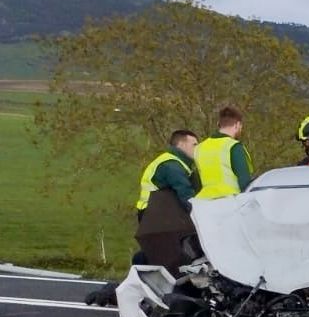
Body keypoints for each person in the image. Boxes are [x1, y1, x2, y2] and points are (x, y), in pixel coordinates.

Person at [85, 130, 203, 306]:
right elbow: (186, 194)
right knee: (170, 256)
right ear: (181, 144)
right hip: (157, 217)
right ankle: (124, 293)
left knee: (156, 257)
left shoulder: (176, 164)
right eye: (194, 144)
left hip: (156, 218)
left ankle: (122, 291)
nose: (197, 148)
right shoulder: (171, 165)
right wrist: (202, 214)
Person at [193, 106, 252, 199]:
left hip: (203, 204)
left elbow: (196, 181)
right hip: (229, 202)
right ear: (237, 125)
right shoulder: (233, 146)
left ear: (218, 124)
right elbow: (245, 182)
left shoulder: (199, 148)